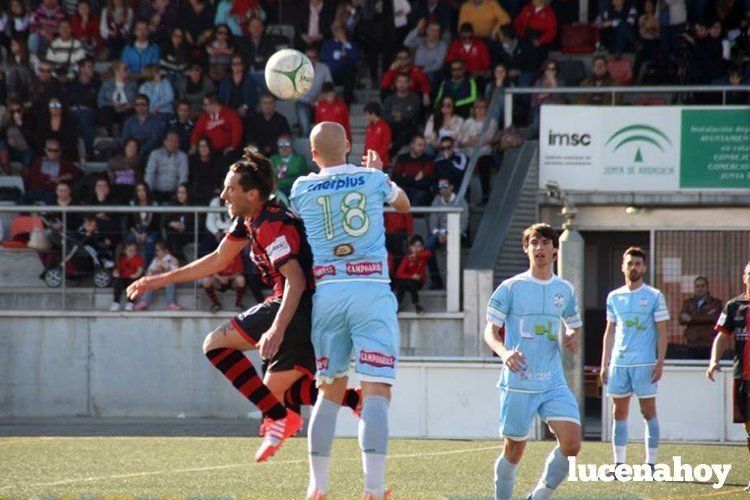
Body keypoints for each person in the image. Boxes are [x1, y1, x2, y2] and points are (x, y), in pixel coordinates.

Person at [128, 148, 361, 463]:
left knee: (218, 348)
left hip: (297, 307)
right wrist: (156, 280)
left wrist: (277, 328)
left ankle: (284, 418)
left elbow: (296, 279)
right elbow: (219, 259)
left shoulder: (271, 223)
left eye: (230, 189)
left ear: (252, 194)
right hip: (295, 305)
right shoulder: (250, 218)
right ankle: (349, 400)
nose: (223, 195)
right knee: (273, 392)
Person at [289, 122, 410, 499]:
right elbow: (403, 205)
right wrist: (377, 171)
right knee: (375, 393)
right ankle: (372, 490)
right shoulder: (372, 178)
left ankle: (317, 486)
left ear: (313, 155)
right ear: (349, 146)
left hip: (328, 293)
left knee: (329, 392)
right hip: (370, 288)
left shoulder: (301, 188)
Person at [484, 223, 582, 500]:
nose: (539, 248)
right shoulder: (511, 287)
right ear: (526, 249)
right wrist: (504, 353)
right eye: (534, 243)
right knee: (514, 449)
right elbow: (490, 331)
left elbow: (573, 324)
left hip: (552, 380)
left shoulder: (565, 289)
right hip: (519, 381)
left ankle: (539, 496)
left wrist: (572, 336)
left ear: (554, 249)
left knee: (572, 443)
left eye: (544, 243)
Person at [600, 247, 669, 471]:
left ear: (644, 268)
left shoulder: (654, 296)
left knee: (648, 412)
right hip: (619, 364)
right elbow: (610, 331)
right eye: (630, 263)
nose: (633, 267)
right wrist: (604, 364)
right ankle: (619, 464)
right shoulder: (614, 297)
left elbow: (662, 331)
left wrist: (660, 362)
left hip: (645, 364)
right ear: (623, 267)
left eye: (638, 264)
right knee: (618, 413)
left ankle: (650, 464)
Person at [706, 260, 750, 491]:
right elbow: (722, 337)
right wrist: (714, 360)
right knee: (748, 428)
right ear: (744, 277)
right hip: (742, 376)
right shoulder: (734, 306)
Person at [426, 177, 468, 289]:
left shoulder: (460, 201)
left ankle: (455, 285)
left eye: (445, 187)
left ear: (451, 187)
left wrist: (449, 234)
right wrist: (439, 234)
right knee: (427, 247)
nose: (442, 190)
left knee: (454, 245)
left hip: (457, 233)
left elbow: (463, 223)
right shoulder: (436, 201)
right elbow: (433, 222)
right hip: (440, 234)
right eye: (440, 187)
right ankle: (437, 281)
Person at [25, 138, 82, 205]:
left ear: (60, 152)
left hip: (53, 192)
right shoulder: (38, 161)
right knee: (23, 200)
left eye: (56, 151)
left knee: (52, 199)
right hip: (36, 190)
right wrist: (49, 178)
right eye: (50, 150)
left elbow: (79, 172)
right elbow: (32, 176)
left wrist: (67, 176)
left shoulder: (64, 162)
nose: (53, 153)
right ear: (45, 150)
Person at [678, 276, 723, 360]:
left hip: (709, 344)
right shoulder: (688, 303)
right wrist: (705, 317)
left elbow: (715, 318)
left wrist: (691, 319)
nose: (700, 289)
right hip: (692, 344)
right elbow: (681, 319)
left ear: (707, 287)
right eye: (697, 286)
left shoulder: (716, 303)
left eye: (702, 286)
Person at [65, 59, 101, 161]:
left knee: (85, 117)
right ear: (81, 69)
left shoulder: (97, 83)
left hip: (90, 112)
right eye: (89, 67)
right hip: (73, 111)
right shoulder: (72, 84)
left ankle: (90, 153)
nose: (92, 70)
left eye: (92, 67)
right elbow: (68, 100)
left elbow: (97, 102)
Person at [296, 44, 333, 137]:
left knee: (325, 128)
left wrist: (322, 97)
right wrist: (309, 101)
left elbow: (329, 86)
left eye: (314, 57)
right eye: (308, 57)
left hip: (320, 99)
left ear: (317, 58)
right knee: (305, 129)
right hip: (303, 101)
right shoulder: (297, 70)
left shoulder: (324, 68)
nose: (311, 60)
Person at [133, 241, 182, 311]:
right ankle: (145, 302)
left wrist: (166, 268)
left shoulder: (172, 259)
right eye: (156, 251)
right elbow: (149, 271)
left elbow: (176, 273)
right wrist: (154, 270)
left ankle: (170, 304)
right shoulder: (156, 260)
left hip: (169, 280)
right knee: (150, 281)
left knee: (170, 282)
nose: (156, 252)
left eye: (158, 251)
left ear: (166, 251)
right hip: (158, 280)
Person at [382, 74, 421, 157]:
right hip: (392, 127)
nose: (402, 84)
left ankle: (390, 155)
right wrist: (401, 115)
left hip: (408, 128)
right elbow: (385, 116)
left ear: (408, 83)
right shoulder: (389, 99)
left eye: (404, 82)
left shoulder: (414, 99)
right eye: (399, 82)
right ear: (395, 83)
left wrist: (396, 115)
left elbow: (412, 115)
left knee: (406, 128)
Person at [145, 131, 189, 203]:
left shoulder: (182, 156)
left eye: (175, 141)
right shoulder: (155, 154)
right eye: (170, 140)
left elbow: (183, 176)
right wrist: (147, 192)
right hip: (156, 192)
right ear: (164, 142)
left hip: (174, 193)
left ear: (178, 144)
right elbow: (150, 174)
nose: (172, 143)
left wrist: (180, 194)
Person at [391, 134, 435, 207]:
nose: (422, 148)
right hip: (404, 190)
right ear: (412, 145)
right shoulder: (402, 159)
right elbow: (395, 179)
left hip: (420, 192)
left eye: (423, 145)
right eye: (419, 145)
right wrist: (414, 178)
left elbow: (427, 182)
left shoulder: (427, 160)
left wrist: (406, 178)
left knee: (421, 195)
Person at [319, 23, 358, 104]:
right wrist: (339, 55)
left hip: (345, 72)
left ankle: (347, 103)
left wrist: (345, 42)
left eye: (340, 30)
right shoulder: (328, 43)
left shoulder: (350, 43)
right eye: (336, 30)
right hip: (331, 72)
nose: (338, 32)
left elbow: (354, 56)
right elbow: (324, 56)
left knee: (350, 73)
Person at [244, 93, 291, 158]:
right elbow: (249, 138)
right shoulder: (253, 119)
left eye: (270, 103)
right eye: (265, 103)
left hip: (277, 151)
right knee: (250, 148)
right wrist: (259, 149)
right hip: (258, 151)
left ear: (274, 105)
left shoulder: (281, 119)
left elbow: (286, 136)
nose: (268, 106)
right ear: (260, 105)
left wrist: (271, 147)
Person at [98, 61, 137, 136]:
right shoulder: (106, 83)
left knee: (129, 113)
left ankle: (124, 137)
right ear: (117, 71)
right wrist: (113, 105)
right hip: (112, 108)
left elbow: (137, 98)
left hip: (127, 108)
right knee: (105, 111)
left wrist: (130, 104)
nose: (128, 71)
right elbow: (100, 101)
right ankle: (111, 134)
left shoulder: (132, 83)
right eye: (125, 69)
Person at [126, 182, 161, 266]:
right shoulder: (132, 205)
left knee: (149, 241)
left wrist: (146, 234)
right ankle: (132, 267)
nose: (141, 193)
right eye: (139, 191)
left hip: (150, 231)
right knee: (130, 239)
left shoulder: (154, 205)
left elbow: (155, 224)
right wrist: (137, 234)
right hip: (136, 231)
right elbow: (130, 224)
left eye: (143, 190)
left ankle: (148, 268)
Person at [403, 19, 448, 83]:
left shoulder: (442, 45)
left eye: (437, 31)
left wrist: (423, 71)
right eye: (432, 30)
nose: (435, 33)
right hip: (417, 70)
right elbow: (406, 43)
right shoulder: (420, 41)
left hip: (432, 73)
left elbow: (438, 64)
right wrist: (418, 29)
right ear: (427, 31)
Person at [395, 235, 431, 313]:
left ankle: (417, 305)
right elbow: (399, 273)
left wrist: (416, 255)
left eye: (419, 246)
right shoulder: (407, 258)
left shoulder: (423, 256)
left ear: (422, 247)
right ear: (410, 247)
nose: (416, 249)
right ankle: (398, 304)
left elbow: (428, 254)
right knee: (402, 283)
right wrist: (411, 276)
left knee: (409, 283)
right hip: (408, 281)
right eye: (414, 246)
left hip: (418, 282)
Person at [218, 54, 258, 120]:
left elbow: (254, 97)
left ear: (243, 65)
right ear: (231, 66)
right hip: (229, 113)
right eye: (234, 64)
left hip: (246, 113)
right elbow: (221, 98)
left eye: (239, 64)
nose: (236, 66)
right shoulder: (225, 81)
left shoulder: (249, 80)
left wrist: (245, 107)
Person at [189, 137, 225, 204]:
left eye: (205, 146)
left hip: (213, 195)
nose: (203, 149)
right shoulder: (193, 162)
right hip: (197, 195)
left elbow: (219, 179)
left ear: (210, 147)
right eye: (201, 146)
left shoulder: (216, 162)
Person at [164, 183, 194, 261]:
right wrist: (171, 223)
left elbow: (197, 225)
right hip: (175, 235)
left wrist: (183, 227)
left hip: (189, 234)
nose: (180, 195)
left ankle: (177, 261)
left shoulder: (193, 206)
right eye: (179, 193)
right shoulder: (172, 205)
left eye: (183, 193)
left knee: (174, 239)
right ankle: (180, 261)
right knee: (172, 235)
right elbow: (165, 222)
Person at [110, 241, 144, 311]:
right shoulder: (121, 258)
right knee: (117, 283)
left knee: (133, 285)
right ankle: (116, 302)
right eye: (130, 251)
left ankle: (130, 303)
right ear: (124, 251)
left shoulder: (137, 258)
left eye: (135, 250)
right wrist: (116, 274)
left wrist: (136, 275)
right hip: (123, 278)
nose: (133, 252)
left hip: (132, 278)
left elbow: (140, 269)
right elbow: (116, 270)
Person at [108, 138, 143, 203]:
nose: (131, 148)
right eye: (129, 146)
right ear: (125, 147)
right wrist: (125, 165)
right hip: (116, 186)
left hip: (132, 187)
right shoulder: (118, 157)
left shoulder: (139, 159)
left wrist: (119, 165)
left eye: (134, 146)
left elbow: (133, 163)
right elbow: (110, 164)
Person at [364, 102, 392, 168]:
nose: (366, 117)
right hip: (369, 163)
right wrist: (365, 158)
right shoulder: (368, 127)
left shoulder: (385, 127)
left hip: (381, 162)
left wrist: (375, 158)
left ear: (373, 114)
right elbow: (367, 145)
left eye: (367, 114)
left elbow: (385, 145)